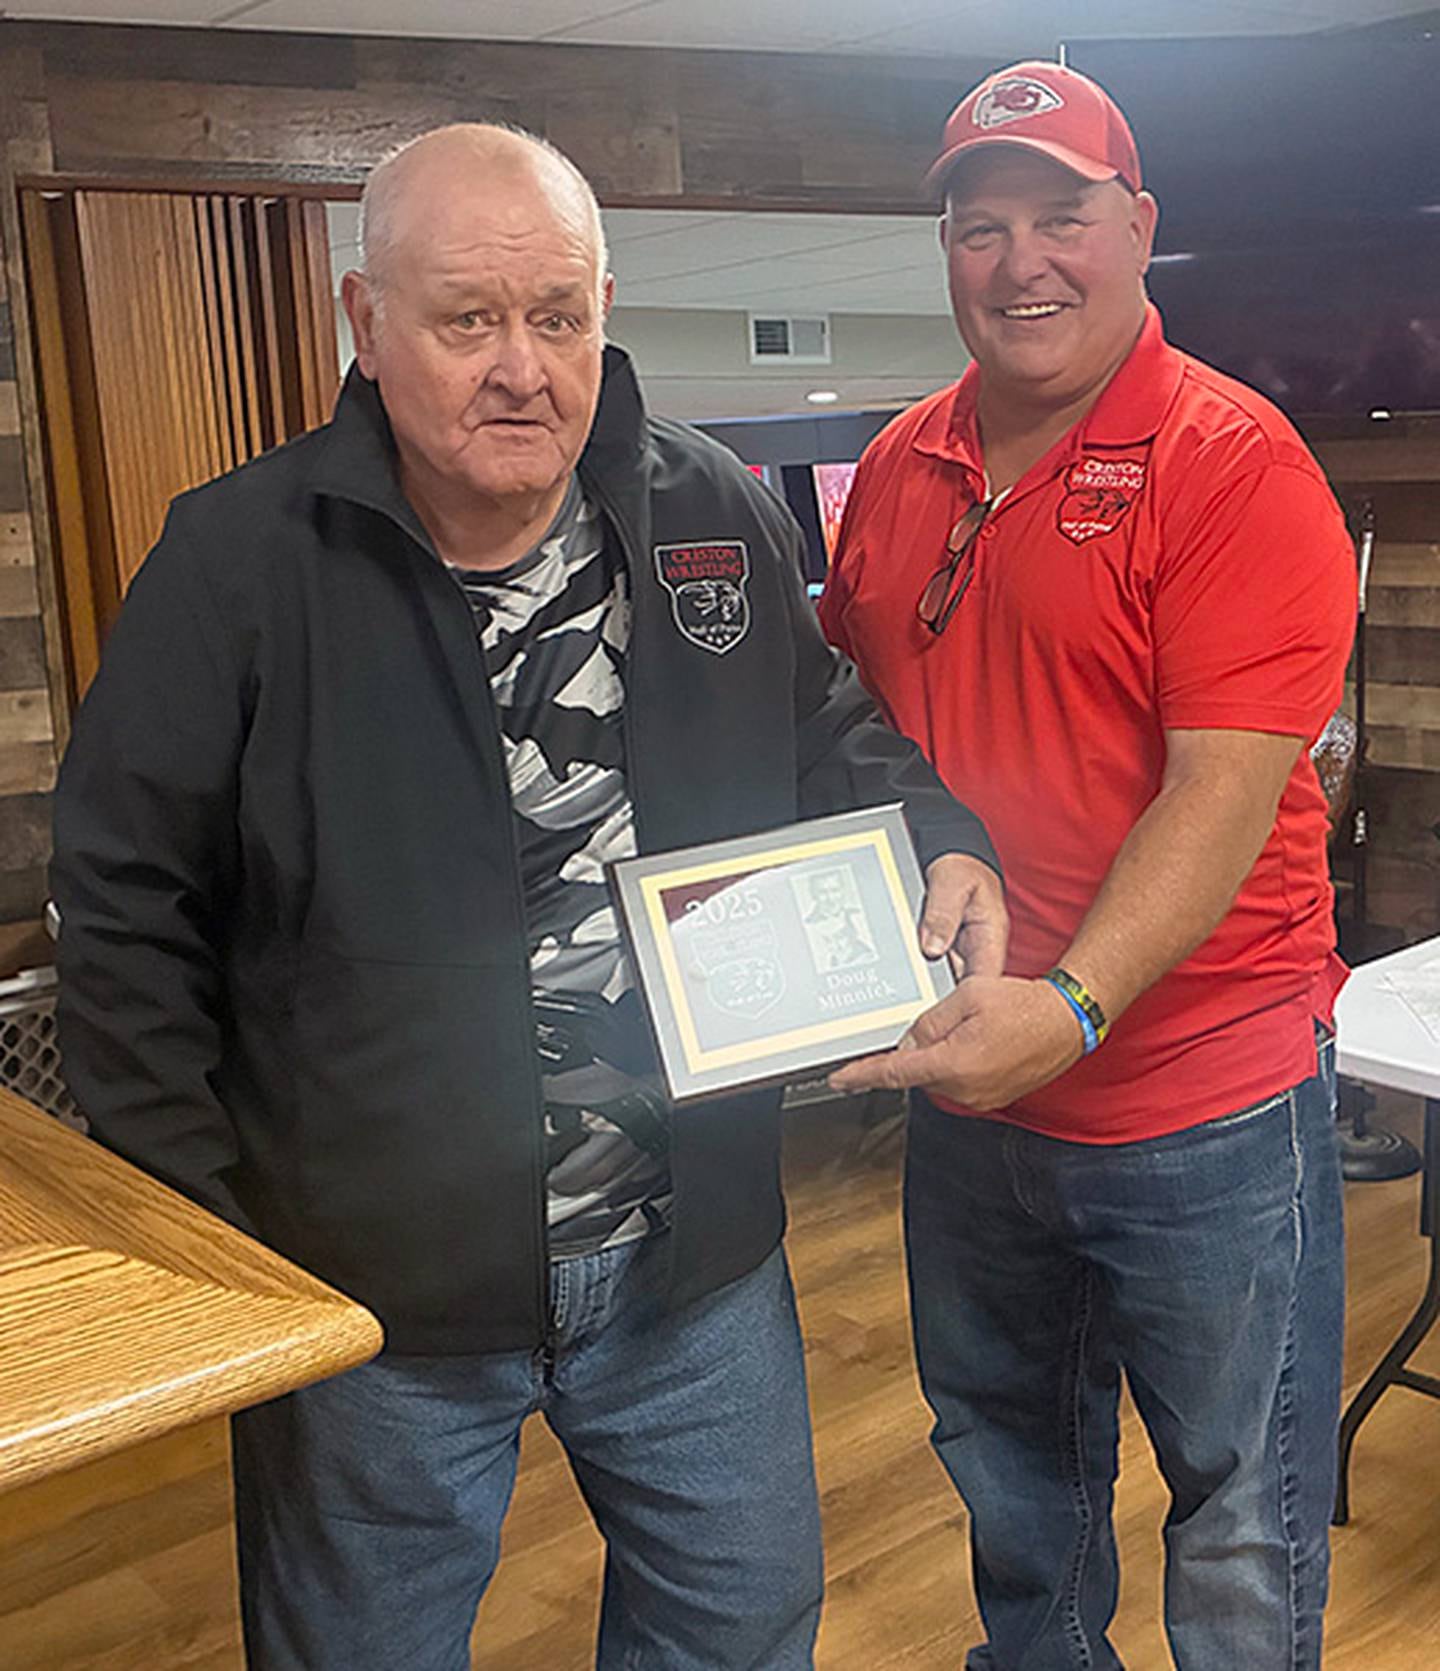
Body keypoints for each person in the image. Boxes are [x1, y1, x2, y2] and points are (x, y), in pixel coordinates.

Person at [51, 125, 1005, 1671]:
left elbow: (826, 725)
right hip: (378, 1294)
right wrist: (217, 1243)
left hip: (696, 1254)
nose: (521, 368)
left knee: (742, 1626)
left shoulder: (707, 507)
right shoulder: (238, 560)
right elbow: (121, 911)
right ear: (367, 324)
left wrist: (938, 831)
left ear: (603, 310)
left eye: (556, 317)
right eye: (468, 319)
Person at [819, 61, 1355, 1671]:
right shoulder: (899, 468)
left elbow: (1223, 796)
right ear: (947, 252)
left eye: (1062, 216)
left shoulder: (1234, 463)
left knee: (1239, 1514)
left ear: (1140, 228)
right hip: (972, 1096)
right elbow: (850, 736)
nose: (1021, 262)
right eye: (982, 227)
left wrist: (1071, 1007)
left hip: (1202, 1101)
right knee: (1012, 1486)